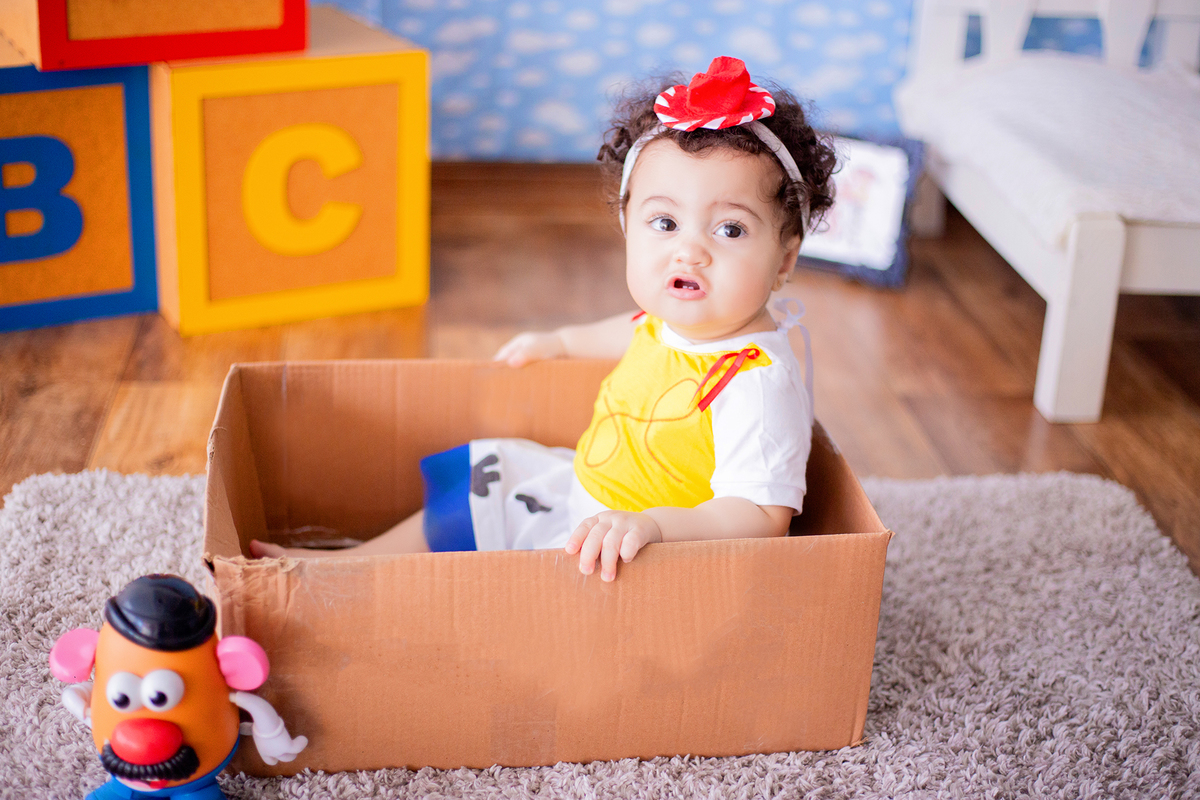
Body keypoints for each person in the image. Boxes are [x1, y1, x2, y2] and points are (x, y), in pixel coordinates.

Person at [251, 56, 837, 582]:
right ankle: (351, 563)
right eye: (664, 223)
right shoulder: (677, 321)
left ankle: (375, 581)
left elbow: (761, 517)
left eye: (729, 229)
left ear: (785, 258)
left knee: (509, 555)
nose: (690, 251)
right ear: (626, 226)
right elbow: (629, 331)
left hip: (637, 551)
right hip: (586, 491)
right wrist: (559, 341)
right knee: (491, 473)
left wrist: (654, 527)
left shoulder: (755, 381)